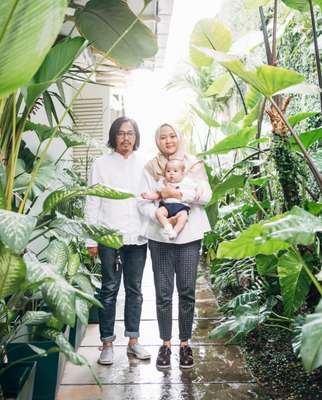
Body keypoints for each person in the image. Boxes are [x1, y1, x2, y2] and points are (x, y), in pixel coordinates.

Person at [139, 123, 212, 369]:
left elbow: (206, 196)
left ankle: (185, 343)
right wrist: (162, 217)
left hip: (189, 238)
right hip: (160, 238)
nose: (168, 140)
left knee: (187, 291)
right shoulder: (150, 167)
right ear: (157, 141)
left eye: (172, 136)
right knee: (162, 293)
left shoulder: (193, 164)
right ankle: (165, 344)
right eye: (163, 137)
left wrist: (180, 196)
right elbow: (143, 201)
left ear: (179, 138)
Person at [85, 116, 151, 365]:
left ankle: (133, 341)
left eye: (131, 133)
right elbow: (92, 200)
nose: (126, 138)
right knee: (109, 290)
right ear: (114, 136)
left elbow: (150, 199)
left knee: (135, 291)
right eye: (121, 133)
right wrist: (90, 239)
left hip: (137, 237)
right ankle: (107, 344)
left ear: (136, 137)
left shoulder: (145, 164)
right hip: (108, 236)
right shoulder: (101, 164)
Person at [141, 158, 200, 240]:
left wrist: (199, 191)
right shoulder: (163, 182)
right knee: (158, 212)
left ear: (182, 173)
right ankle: (167, 226)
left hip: (181, 206)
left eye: (175, 171)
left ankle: (175, 232)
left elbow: (197, 186)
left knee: (183, 217)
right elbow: (159, 195)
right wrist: (148, 196)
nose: (171, 173)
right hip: (167, 206)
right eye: (168, 171)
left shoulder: (186, 182)